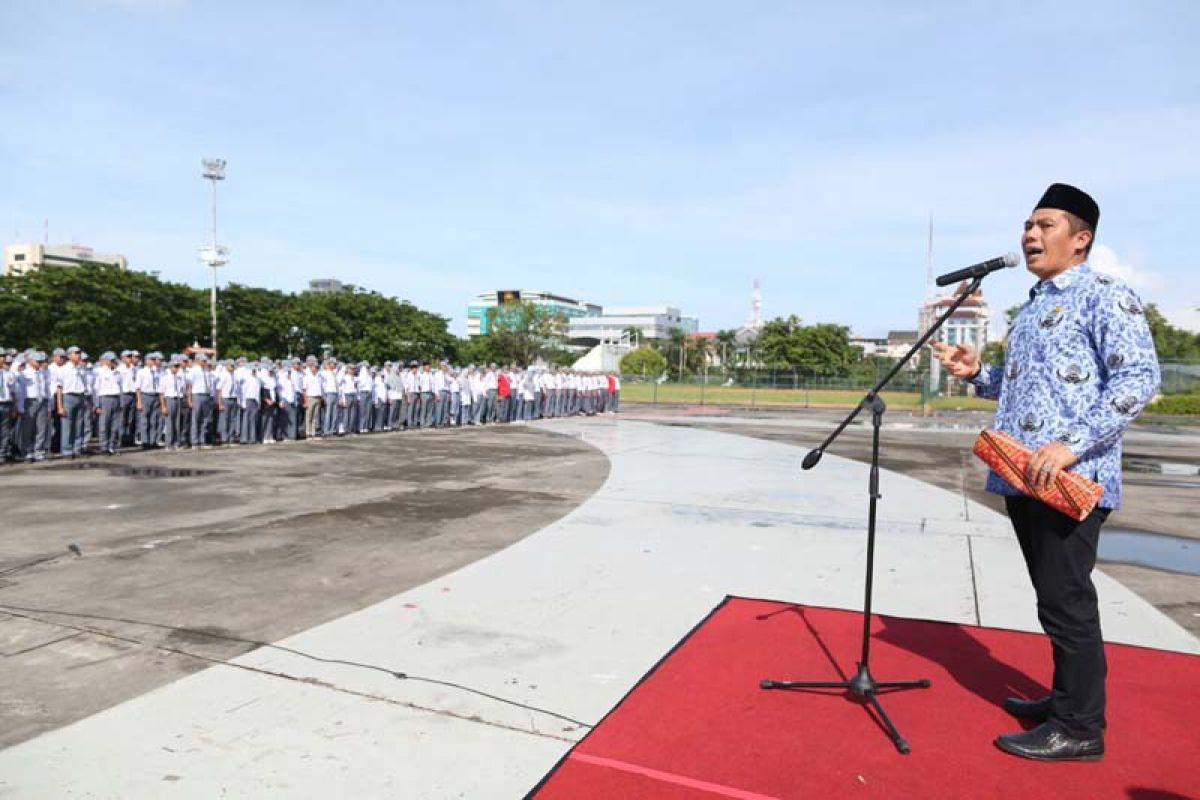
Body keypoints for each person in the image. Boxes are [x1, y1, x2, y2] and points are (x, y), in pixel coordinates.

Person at [932, 183, 1159, 762]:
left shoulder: (1106, 296)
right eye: (1028, 225)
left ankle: (1080, 729)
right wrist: (979, 372)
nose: (1030, 235)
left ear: (1080, 240)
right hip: (1022, 475)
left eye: (1046, 225)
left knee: (1068, 600)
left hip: (1069, 479)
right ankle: (1067, 699)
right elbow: (1027, 390)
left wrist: (1069, 446)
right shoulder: (1033, 305)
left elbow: (1138, 380)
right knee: (1051, 598)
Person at [93, 352, 123, 455]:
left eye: (114, 360)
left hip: (116, 398)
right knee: (104, 425)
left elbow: (121, 388)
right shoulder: (99, 372)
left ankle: (112, 446)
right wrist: (97, 405)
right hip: (105, 398)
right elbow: (96, 389)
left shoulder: (118, 373)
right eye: (111, 360)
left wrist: (121, 402)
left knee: (115, 426)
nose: (113, 362)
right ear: (105, 361)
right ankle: (104, 447)